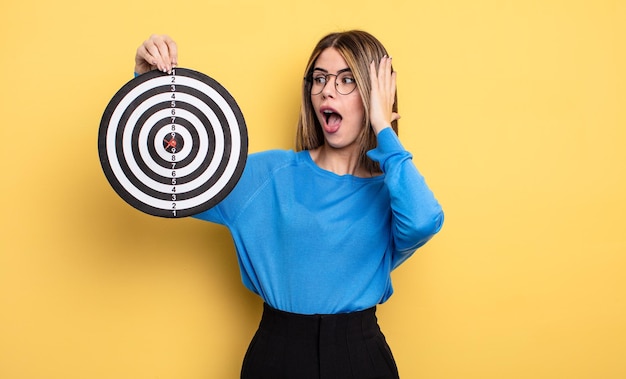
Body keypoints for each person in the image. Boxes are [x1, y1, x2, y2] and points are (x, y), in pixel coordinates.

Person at [134, 30, 444, 379]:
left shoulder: (394, 191)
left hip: (361, 357)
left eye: (347, 80)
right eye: (319, 78)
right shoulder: (268, 175)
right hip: (278, 355)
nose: (327, 89)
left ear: (376, 97)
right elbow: (166, 178)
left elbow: (423, 222)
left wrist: (382, 128)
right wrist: (151, 89)